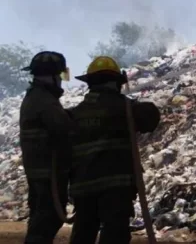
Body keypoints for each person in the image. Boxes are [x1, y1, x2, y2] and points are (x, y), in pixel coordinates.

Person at [67, 56, 161, 244]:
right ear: (118, 83)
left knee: (83, 231)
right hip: (116, 186)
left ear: (90, 83)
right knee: (114, 232)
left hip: (83, 186)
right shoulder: (125, 109)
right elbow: (151, 118)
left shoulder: (73, 114)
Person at [18, 51, 75, 244]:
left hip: (38, 170)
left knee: (41, 217)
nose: (61, 81)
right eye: (60, 76)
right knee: (47, 219)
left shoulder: (35, 97)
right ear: (54, 75)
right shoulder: (45, 101)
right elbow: (64, 129)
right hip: (47, 172)